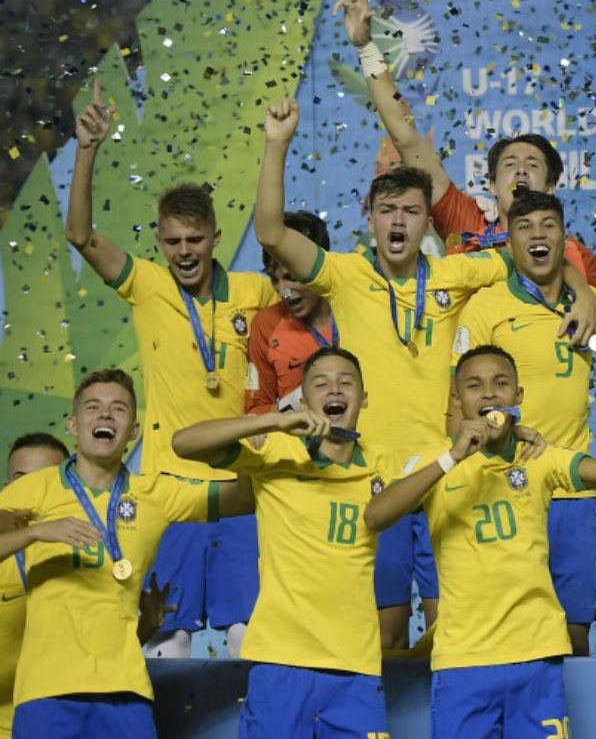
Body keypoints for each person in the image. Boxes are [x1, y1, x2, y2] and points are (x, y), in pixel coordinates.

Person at [255, 98, 596, 647]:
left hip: (444, 478)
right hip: (374, 479)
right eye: (388, 210)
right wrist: (276, 145)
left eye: (412, 211)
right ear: (370, 217)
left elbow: (545, 254)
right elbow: (271, 234)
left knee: (449, 628)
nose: (399, 221)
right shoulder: (341, 275)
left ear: (426, 221)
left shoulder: (456, 271)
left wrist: (583, 293)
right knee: (384, 634)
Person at [63, 83, 277, 657]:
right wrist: (87, 148)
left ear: (215, 238)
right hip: (165, 487)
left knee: (248, 639)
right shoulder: (147, 286)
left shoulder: (255, 291)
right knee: (166, 641)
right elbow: (80, 236)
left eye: (196, 240)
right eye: (173, 241)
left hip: (238, 491)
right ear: (159, 241)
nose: (185, 252)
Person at [363, 346, 596, 739]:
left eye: (500, 383)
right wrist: (452, 457)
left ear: (518, 396)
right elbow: (375, 516)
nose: (489, 394)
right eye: (474, 385)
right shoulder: (436, 464)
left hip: (536, 655)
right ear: (456, 399)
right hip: (463, 661)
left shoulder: (539, 458)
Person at [0, 369, 251, 739]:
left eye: (118, 409)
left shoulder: (155, 493)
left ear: (133, 431)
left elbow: (244, 498)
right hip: (46, 691)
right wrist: (40, 530)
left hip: (126, 691)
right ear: (73, 423)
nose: (105, 415)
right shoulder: (36, 487)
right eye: (93, 407)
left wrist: (259, 445)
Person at [333, 0, 596, 294]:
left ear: (551, 187)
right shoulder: (464, 221)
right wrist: (366, 47)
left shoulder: (572, 255)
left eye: (533, 165)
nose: (521, 169)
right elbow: (405, 136)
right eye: (510, 164)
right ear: (491, 185)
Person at [452, 191, 596, 656]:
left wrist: (586, 292)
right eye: (524, 227)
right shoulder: (485, 307)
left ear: (564, 238)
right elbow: (457, 408)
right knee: (505, 628)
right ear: (510, 245)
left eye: (548, 225)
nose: (537, 235)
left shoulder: (587, 304)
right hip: (507, 491)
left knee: (574, 634)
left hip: (572, 495)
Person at [172, 347, 398, 739]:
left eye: (346, 382)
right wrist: (274, 421)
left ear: (363, 397)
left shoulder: (385, 464)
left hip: (356, 668)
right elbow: (184, 443)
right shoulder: (277, 453)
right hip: (281, 663)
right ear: (306, 399)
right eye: (321, 383)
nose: (335, 390)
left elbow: (442, 469)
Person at [0, 434, 70, 739]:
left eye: (45, 481)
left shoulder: (90, 553)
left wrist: (147, 623)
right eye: (20, 481)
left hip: (66, 724)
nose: (30, 493)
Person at [246, 210, 336, 415]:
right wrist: (296, 402)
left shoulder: (356, 308)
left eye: (292, 277)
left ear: (320, 266)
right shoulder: (266, 325)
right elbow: (256, 410)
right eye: (274, 279)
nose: (283, 291)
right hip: (299, 445)